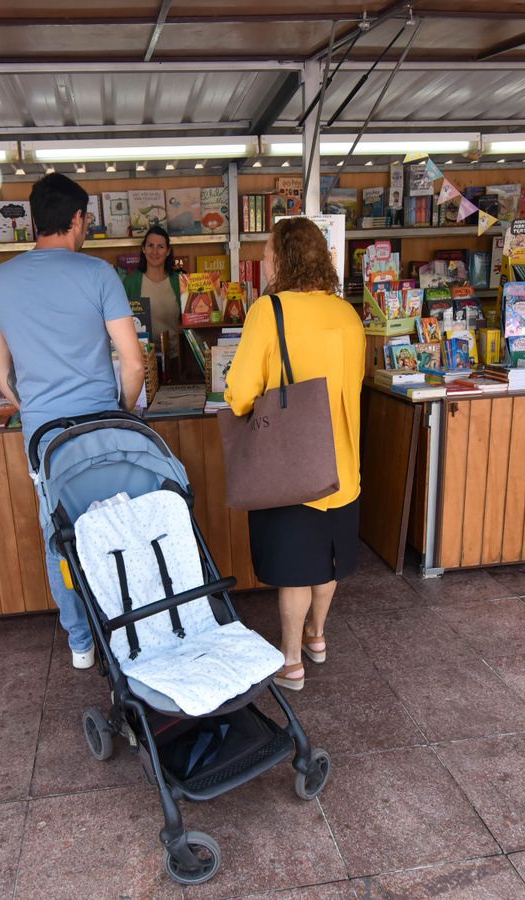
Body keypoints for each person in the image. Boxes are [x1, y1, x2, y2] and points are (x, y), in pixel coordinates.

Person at [0, 173, 146, 669]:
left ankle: (80, 641)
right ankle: (137, 625)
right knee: (121, 525)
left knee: (62, 536)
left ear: (34, 220)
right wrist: (120, 408)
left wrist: (29, 404)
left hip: (46, 437)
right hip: (103, 427)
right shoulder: (98, 275)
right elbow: (134, 363)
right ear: (77, 218)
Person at [223, 218, 365, 691]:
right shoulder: (347, 313)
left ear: (282, 258)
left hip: (293, 463)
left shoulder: (270, 309)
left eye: (266, 252)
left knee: (296, 571)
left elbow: (241, 393)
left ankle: (290, 663)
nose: (263, 261)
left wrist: (238, 400)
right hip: (342, 463)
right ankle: (318, 638)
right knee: (327, 561)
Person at [119, 225, 185, 368]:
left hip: (175, 359)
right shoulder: (130, 283)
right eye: (150, 245)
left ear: (168, 251)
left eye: (160, 246)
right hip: (142, 360)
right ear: (143, 249)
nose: (155, 251)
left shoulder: (179, 281)